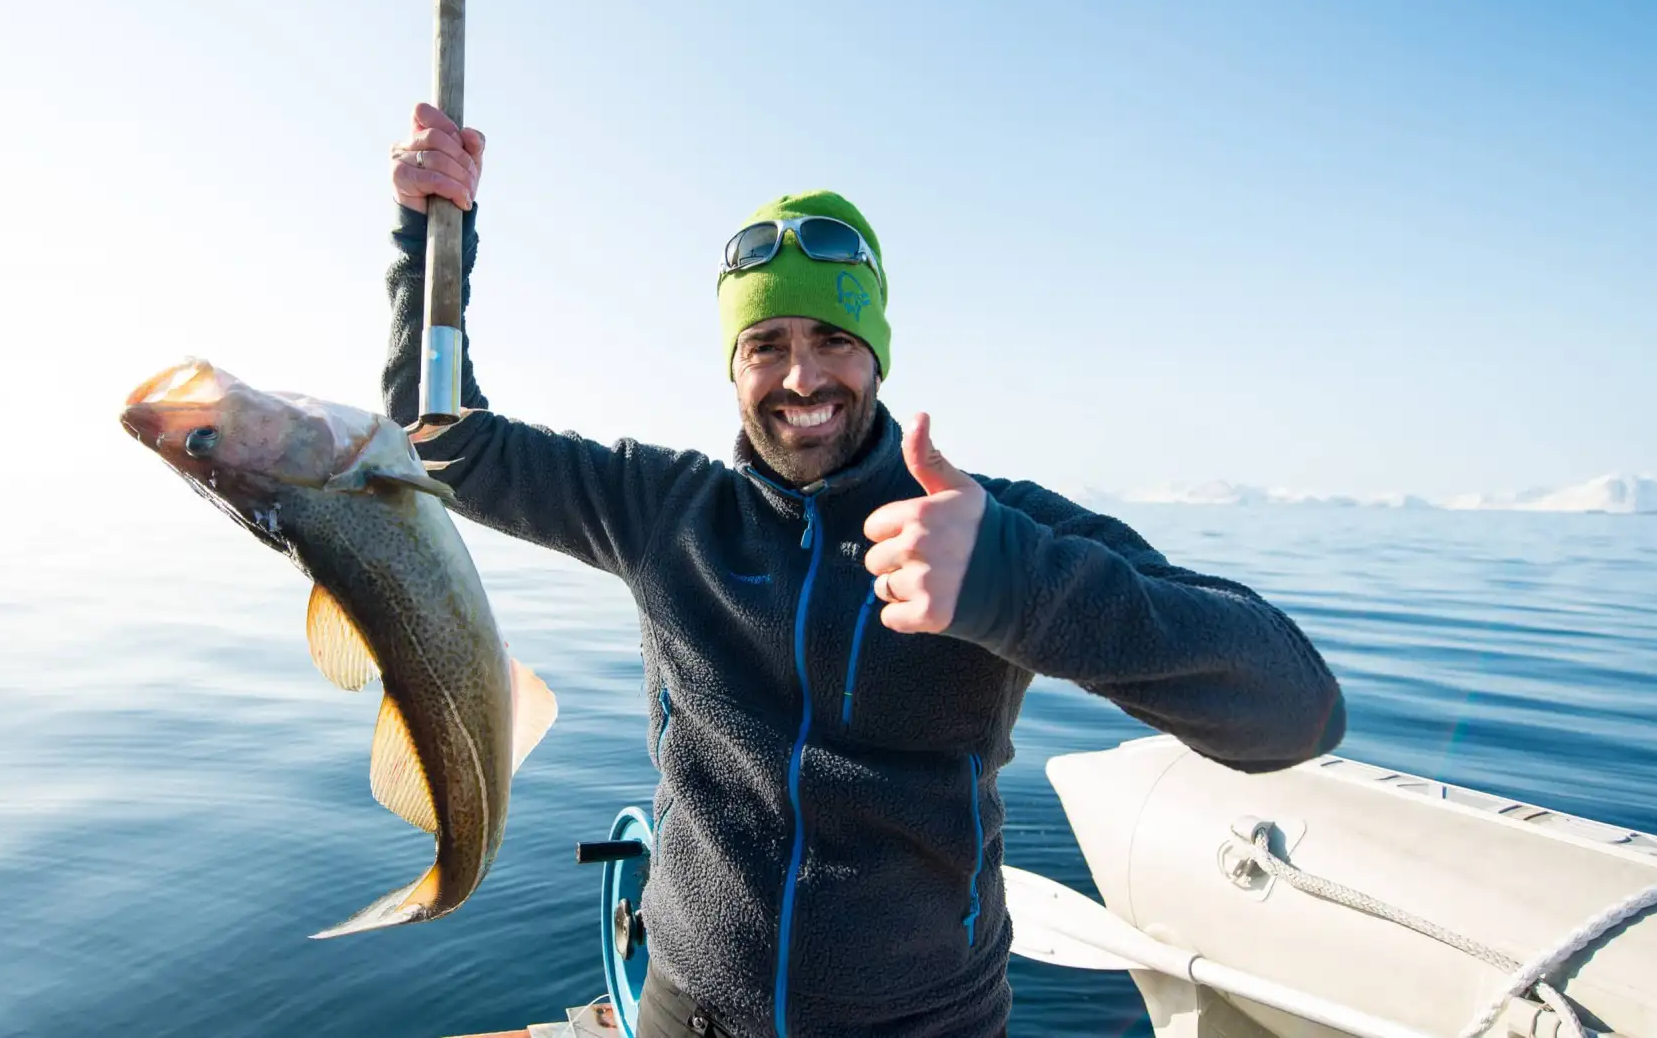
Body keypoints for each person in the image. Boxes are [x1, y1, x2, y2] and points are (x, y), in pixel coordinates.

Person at [380, 103, 1347, 1038]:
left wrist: (1020, 586)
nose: (802, 378)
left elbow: (1294, 708)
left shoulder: (982, 527)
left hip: (930, 1022)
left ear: (877, 355)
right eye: (766, 346)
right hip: (692, 1010)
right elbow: (439, 442)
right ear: (734, 367)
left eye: (833, 339)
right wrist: (433, 242)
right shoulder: (664, 511)